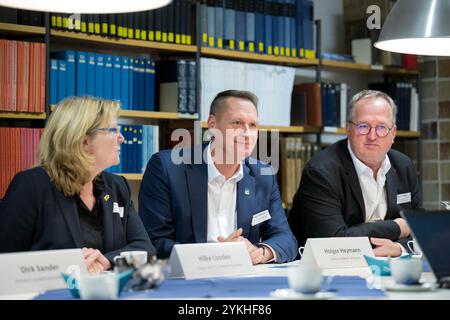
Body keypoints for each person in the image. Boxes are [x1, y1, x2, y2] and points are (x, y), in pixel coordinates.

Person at [139, 90, 298, 264]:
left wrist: (259, 253)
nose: (247, 133)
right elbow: (154, 242)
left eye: (253, 125)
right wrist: (217, 254)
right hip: (187, 281)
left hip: (244, 280)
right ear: (212, 125)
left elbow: (286, 239)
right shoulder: (167, 167)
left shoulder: (263, 174)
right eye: (237, 123)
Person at [0, 97, 155, 273]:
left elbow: (145, 248)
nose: (121, 138)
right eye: (113, 130)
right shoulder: (31, 186)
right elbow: (5, 261)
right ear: (83, 141)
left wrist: (107, 261)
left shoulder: (117, 186)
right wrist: (67, 265)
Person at [288, 90, 422, 257]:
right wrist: (397, 228)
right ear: (348, 129)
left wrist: (399, 248)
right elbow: (333, 241)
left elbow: (420, 230)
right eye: (363, 126)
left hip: (387, 266)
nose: (372, 136)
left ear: (393, 133)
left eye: (381, 127)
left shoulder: (403, 166)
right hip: (326, 271)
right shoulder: (321, 172)